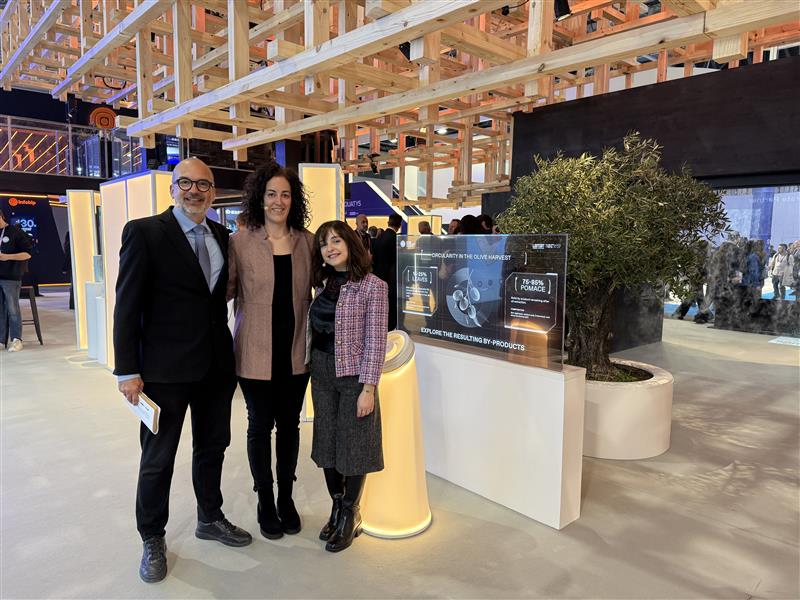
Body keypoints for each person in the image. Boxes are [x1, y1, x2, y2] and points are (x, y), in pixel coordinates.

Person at [114, 158, 251, 584]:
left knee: (213, 447)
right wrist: (126, 370)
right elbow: (127, 304)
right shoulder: (144, 232)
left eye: (204, 184)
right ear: (172, 188)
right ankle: (152, 537)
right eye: (186, 183)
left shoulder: (222, 236)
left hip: (215, 367)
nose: (195, 191)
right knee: (158, 459)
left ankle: (210, 517)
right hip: (163, 370)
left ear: (213, 192)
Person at [227, 162, 314, 540]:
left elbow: (326, 286)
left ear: (293, 200)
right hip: (254, 351)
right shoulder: (240, 242)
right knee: (259, 426)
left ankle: (286, 498)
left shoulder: (308, 241)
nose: (279, 201)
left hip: (296, 351)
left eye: (286, 194)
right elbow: (225, 290)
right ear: (259, 198)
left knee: (290, 426)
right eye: (272, 194)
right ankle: (265, 499)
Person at [308, 220, 388, 553]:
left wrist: (368, 388)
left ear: (350, 244)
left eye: (336, 241)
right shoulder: (322, 284)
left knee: (354, 445)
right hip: (321, 371)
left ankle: (351, 513)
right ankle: (338, 505)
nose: (330, 248)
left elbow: (376, 340)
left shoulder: (373, 286)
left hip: (354, 376)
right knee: (326, 442)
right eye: (324, 243)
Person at [0, 207, 33, 352]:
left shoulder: (15, 232)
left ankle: (16, 339)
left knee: (12, 309)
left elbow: (27, 254)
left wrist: (7, 257)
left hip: (11, 277)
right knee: (0, 311)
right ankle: (1, 340)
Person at [371, 212, 401, 330]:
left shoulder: (380, 237)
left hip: (378, 275)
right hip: (391, 278)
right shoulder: (395, 239)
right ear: (399, 225)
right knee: (391, 305)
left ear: (388, 222)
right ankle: (391, 327)